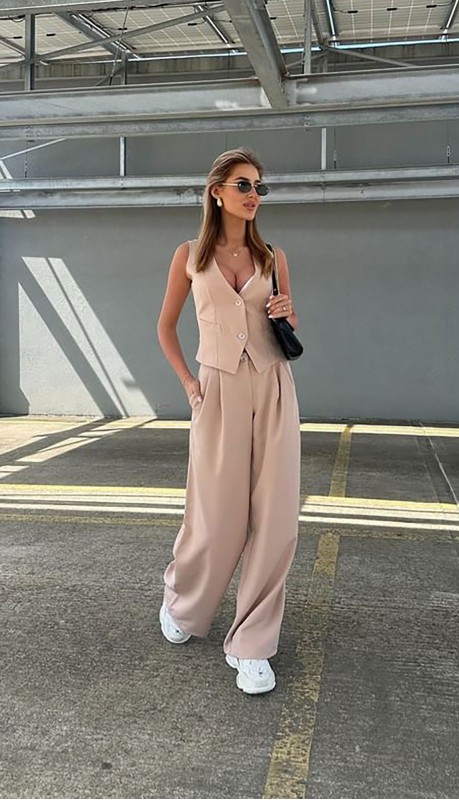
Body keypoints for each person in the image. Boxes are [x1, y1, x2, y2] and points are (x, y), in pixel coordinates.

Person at [156, 148, 301, 695]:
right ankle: (184, 602)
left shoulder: (274, 257)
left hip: (274, 386)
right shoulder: (190, 256)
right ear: (216, 191)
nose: (253, 195)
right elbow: (165, 327)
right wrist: (190, 385)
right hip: (217, 390)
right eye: (244, 185)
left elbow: (289, 323)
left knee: (276, 519)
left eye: (260, 187)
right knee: (215, 516)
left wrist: (286, 313)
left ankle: (252, 644)